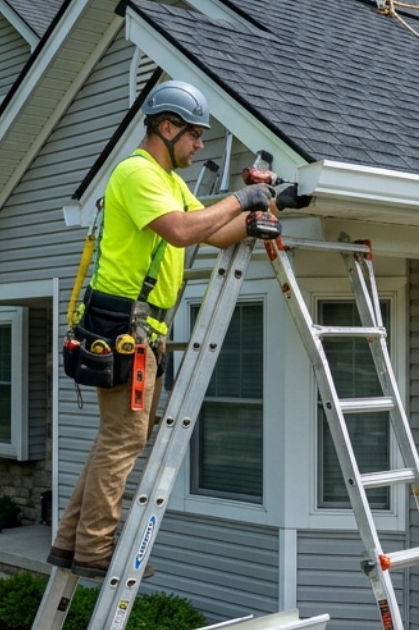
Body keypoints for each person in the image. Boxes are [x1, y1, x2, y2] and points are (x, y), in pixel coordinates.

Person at [49, 81, 280, 577]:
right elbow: (180, 231)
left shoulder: (170, 182)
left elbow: (216, 233)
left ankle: (72, 542)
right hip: (120, 327)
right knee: (124, 441)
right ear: (168, 128)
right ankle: (94, 550)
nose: (200, 145)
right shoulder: (137, 173)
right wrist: (242, 197)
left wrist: (271, 204)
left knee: (115, 438)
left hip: (138, 330)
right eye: (195, 134)